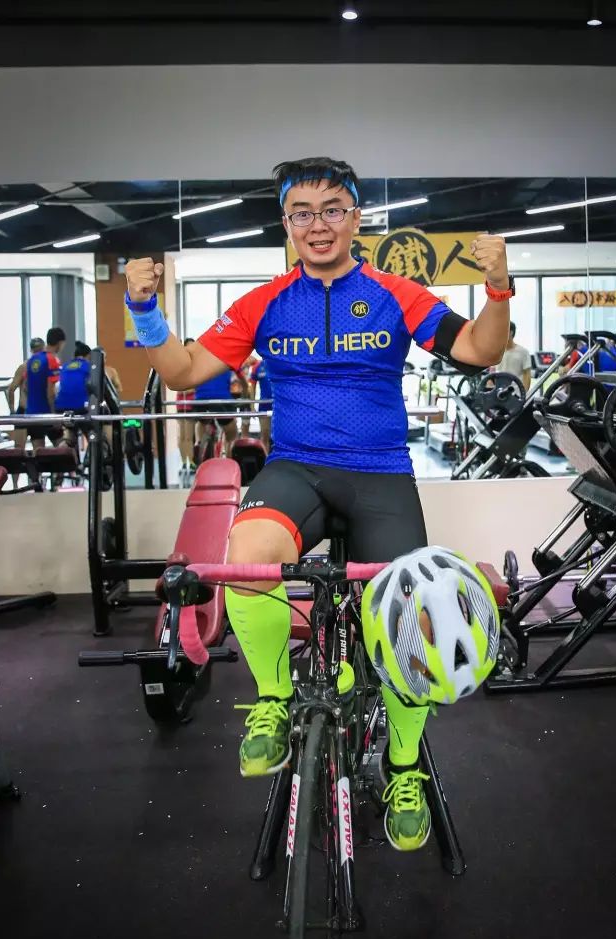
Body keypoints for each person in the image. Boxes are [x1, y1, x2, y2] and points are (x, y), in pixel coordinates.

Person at [124, 156, 512, 852]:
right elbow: (182, 371)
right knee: (247, 554)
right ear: (287, 223)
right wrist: (144, 311)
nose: (318, 224)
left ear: (356, 217)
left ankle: (403, 767)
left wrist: (498, 288)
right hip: (295, 469)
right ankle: (274, 701)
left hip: (380, 473)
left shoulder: (396, 293)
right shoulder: (265, 302)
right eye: (302, 212)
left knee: (411, 616)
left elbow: (481, 350)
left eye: (332, 209)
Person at [5, 338, 42, 487]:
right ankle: (34, 484)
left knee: (21, 452)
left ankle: (21, 484)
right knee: (34, 451)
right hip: (32, 413)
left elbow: (11, 389)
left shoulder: (25, 367)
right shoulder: (38, 367)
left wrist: (12, 410)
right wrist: (12, 411)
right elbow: (11, 389)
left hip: (27, 412)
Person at [24, 326, 65, 450]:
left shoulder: (31, 360)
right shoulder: (52, 359)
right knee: (63, 448)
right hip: (47, 414)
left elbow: (26, 387)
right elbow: (51, 391)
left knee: (38, 452)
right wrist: (55, 416)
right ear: (60, 343)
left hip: (31, 414)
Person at [55, 341, 91, 448]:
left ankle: (64, 451)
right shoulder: (88, 366)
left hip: (62, 407)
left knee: (70, 439)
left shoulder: (65, 366)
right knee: (92, 437)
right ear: (88, 355)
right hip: (81, 407)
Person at [177, 337, 196, 469]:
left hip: (191, 404)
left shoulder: (196, 365)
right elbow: (178, 386)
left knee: (189, 436)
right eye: (188, 346)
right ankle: (184, 462)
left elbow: (196, 385)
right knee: (182, 435)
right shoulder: (180, 364)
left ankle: (191, 461)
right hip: (181, 404)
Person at [495, 321, 531, 391]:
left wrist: (524, 392)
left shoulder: (523, 352)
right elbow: (492, 372)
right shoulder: (497, 351)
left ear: (511, 332)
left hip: (516, 392)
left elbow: (527, 374)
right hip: (499, 391)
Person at [249, 357, 273, 453]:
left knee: (281, 436)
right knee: (264, 435)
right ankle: (265, 459)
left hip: (280, 405)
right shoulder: (258, 366)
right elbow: (252, 386)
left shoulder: (281, 362)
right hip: (264, 404)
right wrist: (252, 406)